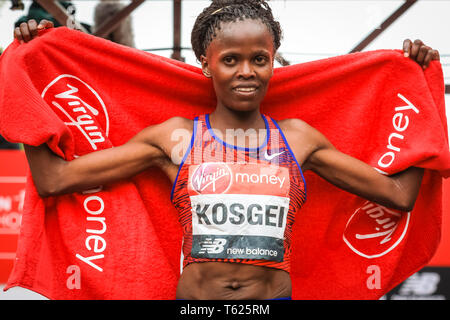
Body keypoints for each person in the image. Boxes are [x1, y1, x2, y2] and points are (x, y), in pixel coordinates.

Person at [13, 0, 440, 300]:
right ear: (205, 62)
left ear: (274, 61)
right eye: (231, 59)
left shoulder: (297, 139)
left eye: (260, 59)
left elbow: (398, 196)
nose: (247, 72)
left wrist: (418, 91)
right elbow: (55, 181)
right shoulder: (176, 139)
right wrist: (28, 72)